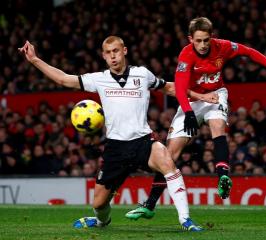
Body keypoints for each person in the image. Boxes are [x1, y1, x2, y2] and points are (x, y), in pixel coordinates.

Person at [18, 36, 219, 231]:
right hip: (115, 148)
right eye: (108, 53)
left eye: (116, 51)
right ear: (103, 56)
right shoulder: (99, 79)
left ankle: (186, 220)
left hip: (143, 142)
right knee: (98, 204)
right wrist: (35, 60)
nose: (113, 56)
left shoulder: (142, 74)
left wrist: (200, 96)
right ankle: (101, 222)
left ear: (124, 51)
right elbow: (63, 79)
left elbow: (170, 88)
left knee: (167, 162)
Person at [126, 17, 266, 220]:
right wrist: (187, 112)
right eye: (198, 41)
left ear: (212, 37)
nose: (203, 45)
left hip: (215, 95)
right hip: (192, 99)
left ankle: (222, 175)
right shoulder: (185, 55)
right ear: (190, 39)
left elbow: (248, 51)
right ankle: (150, 205)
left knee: (217, 127)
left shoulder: (222, 47)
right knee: (170, 154)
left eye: (206, 40)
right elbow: (179, 86)